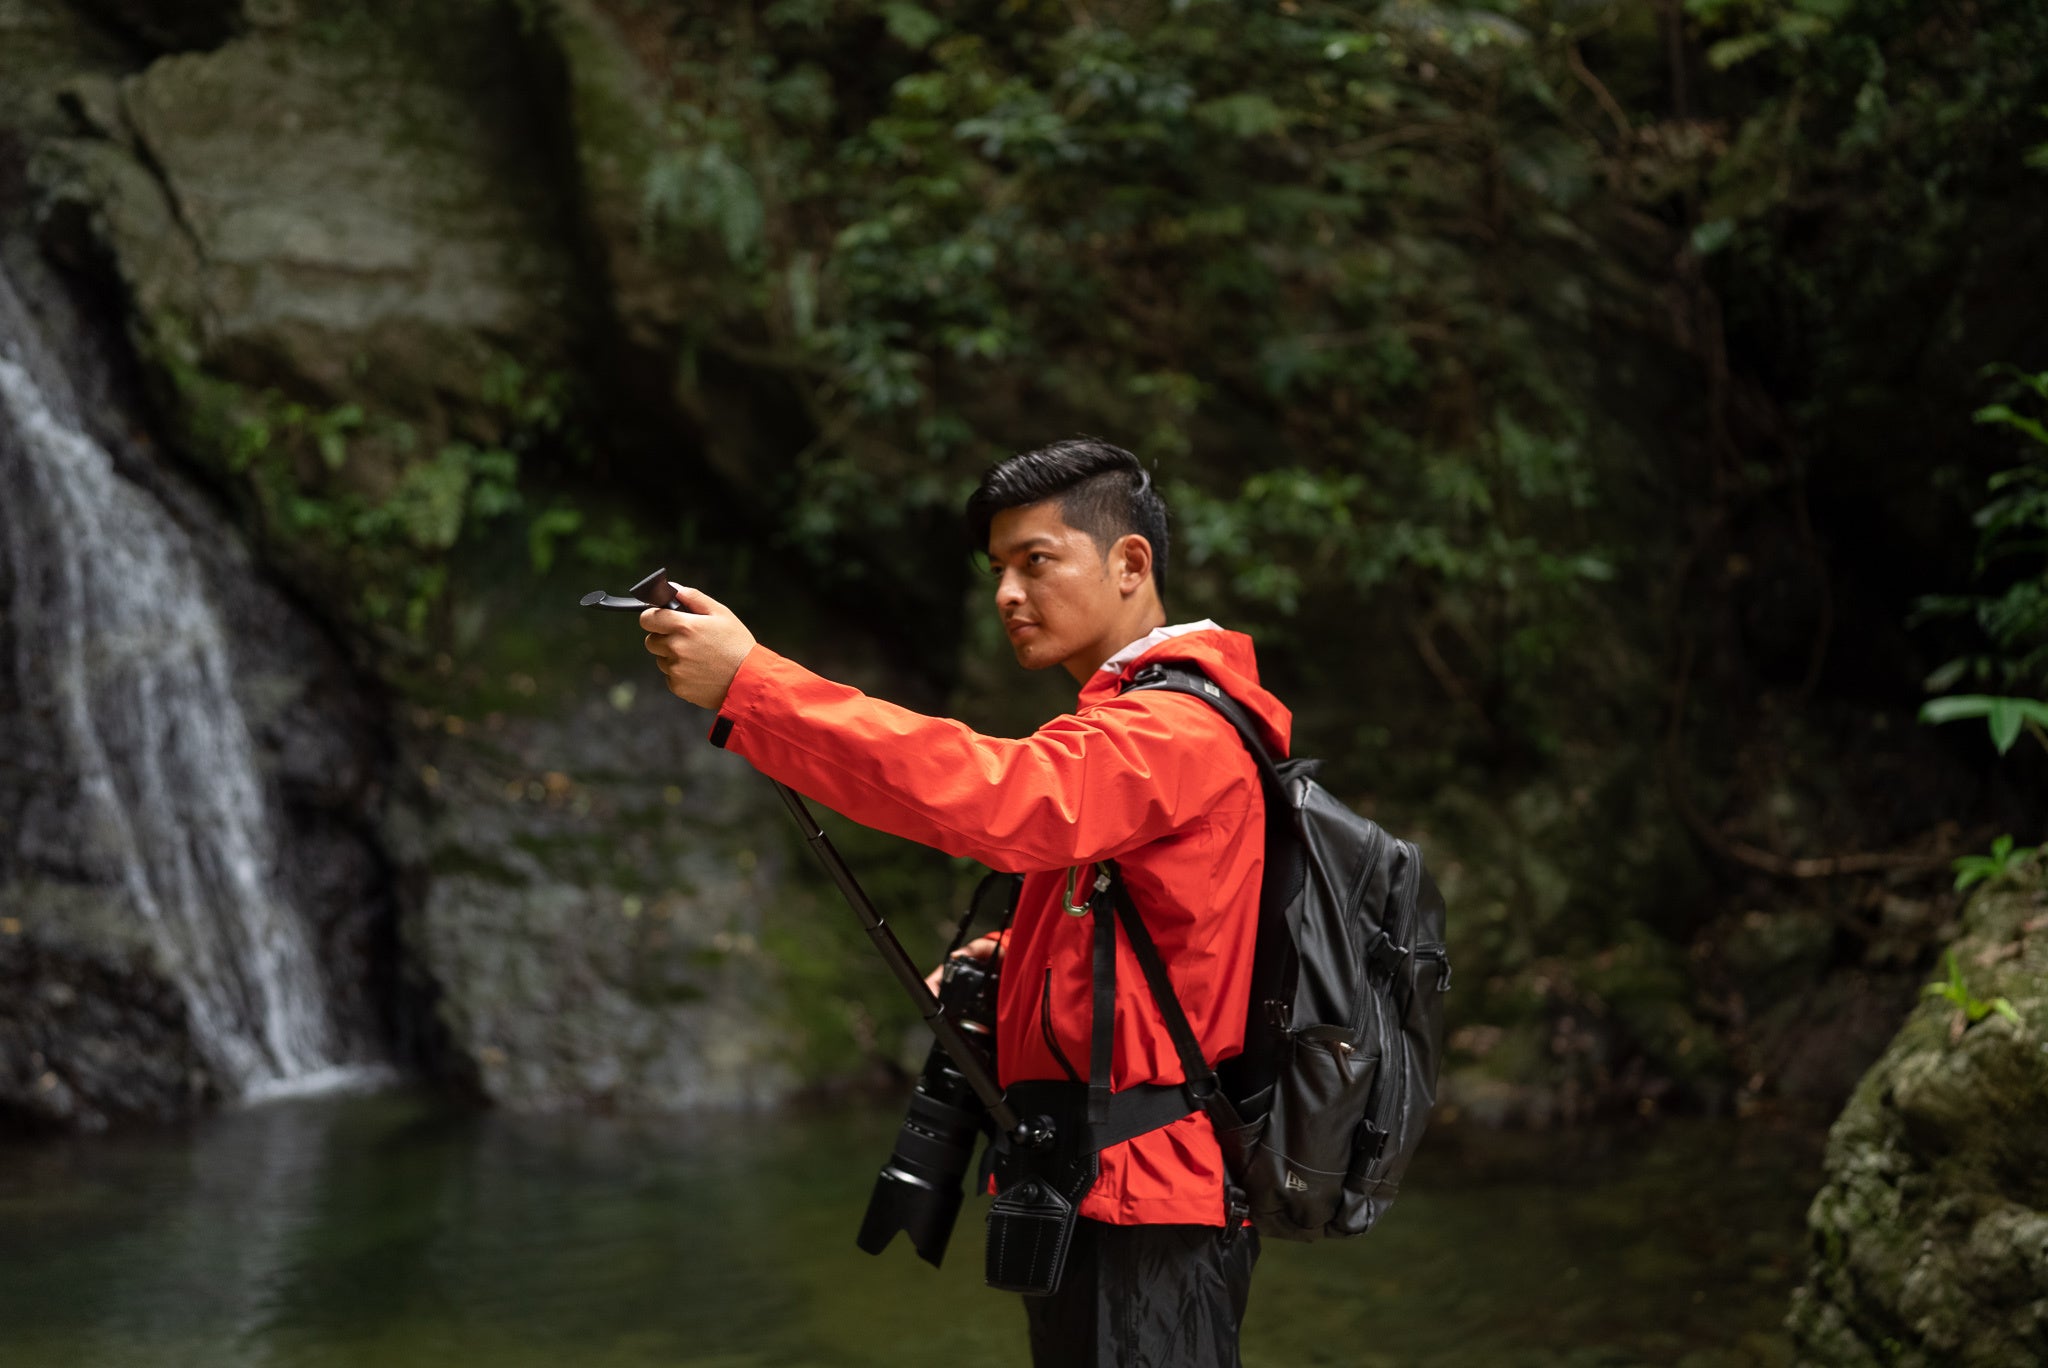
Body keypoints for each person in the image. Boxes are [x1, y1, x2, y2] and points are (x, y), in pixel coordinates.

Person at [639, 438, 1290, 1368]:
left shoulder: (1175, 728)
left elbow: (1001, 801)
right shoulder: (1134, 722)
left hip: (1143, 1195)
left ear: (1130, 563)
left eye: (1037, 561)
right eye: (998, 570)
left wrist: (756, 689)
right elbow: (1150, 929)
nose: (1007, 596)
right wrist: (1010, 959)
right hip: (1095, 1183)